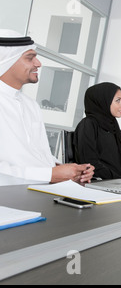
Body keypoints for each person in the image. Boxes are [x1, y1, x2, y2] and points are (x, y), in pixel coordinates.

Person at [0, 29, 94, 184]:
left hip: (42, 190)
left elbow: (39, 153)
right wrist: (50, 175)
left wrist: (68, 170)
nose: (38, 64)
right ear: (6, 61)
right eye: (30, 58)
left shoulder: (31, 105)